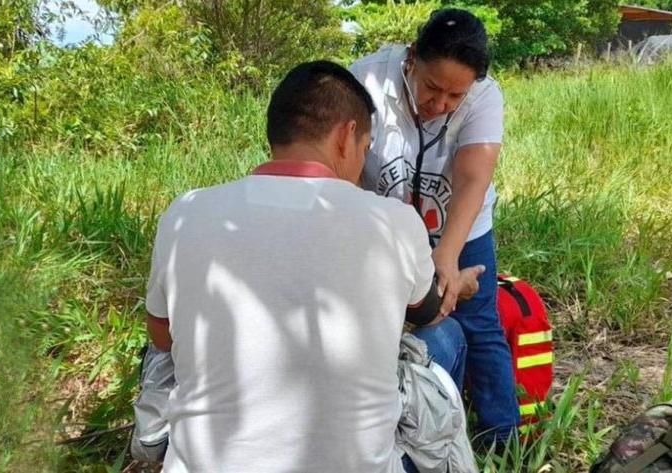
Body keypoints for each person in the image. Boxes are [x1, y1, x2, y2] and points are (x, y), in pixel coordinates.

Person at [143, 60, 483, 472]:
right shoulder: (391, 220)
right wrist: (459, 286)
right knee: (447, 335)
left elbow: (162, 339)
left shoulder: (185, 214)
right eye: (365, 147)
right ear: (347, 136)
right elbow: (427, 311)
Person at [350, 8, 520, 446]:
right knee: (380, 322)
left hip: (461, 225)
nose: (440, 105)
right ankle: (406, 432)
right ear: (411, 58)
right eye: (431, 88)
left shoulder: (485, 96)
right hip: (382, 229)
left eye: (454, 96)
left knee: (479, 323)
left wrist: (446, 253)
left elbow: (473, 176)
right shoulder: (364, 82)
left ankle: (503, 440)